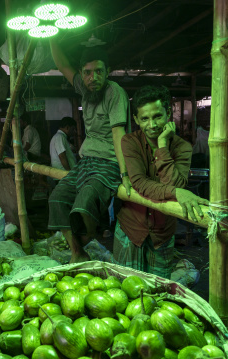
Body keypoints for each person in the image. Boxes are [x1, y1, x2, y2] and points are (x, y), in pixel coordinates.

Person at [48, 40, 132, 263]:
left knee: (84, 202)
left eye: (98, 72)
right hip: (86, 162)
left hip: (109, 162)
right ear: (81, 74)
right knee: (57, 198)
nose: (93, 77)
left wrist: (125, 173)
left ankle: (88, 237)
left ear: (107, 72)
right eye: (87, 72)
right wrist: (50, 35)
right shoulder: (84, 89)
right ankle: (77, 253)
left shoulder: (115, 93)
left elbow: (118, 134)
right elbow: (61, 63)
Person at [114, 85, 208, 278]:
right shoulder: (130, 142)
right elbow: (139, 182)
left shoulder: (182, 147)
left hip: (162, 233)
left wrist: (162, 145)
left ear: (168, 113)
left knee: (158, 291)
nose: (152, 125)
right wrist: (176, 194)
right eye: (144, 119)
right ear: (136, 120)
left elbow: (176, 184)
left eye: (157, 116)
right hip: (131, 228)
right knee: (125, 287)